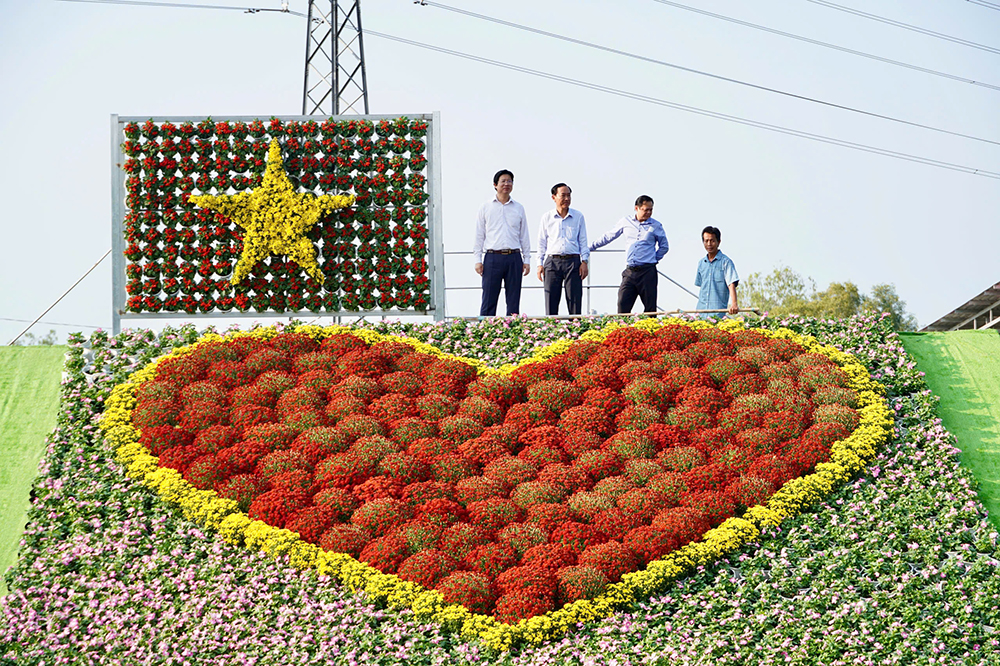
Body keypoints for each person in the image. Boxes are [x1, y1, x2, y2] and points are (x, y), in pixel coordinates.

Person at [589, 195, 669, 314]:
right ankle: (622, 326)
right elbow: (609, 236)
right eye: (645, 209)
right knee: (622, 304)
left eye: (651, 210)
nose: (648, 212)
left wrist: (653, 259)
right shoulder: (625, 222)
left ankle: (650, 326)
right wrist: (590, 247)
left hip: (647, 271)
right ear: (637, 208)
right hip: (630, 271)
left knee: (650, 308)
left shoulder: (656, 225)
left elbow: (664, 246)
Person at [472, 169, 531, 316]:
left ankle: (512, 328)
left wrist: (527, 260)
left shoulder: (518, 208)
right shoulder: (486, 207)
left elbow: (524, 235)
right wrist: (478, 260)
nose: (507, 184)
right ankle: (485, 328)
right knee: (488, 299)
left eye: (509, 181)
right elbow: (479, 235)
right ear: (495, 185)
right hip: (493, 257)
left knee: (513, 300)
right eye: (503, 181)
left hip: (514, 257)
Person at [537, 183, 589, 315]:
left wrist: (585, 261)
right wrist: (539, 264)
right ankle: (551, 327)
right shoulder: (547, 217)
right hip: (552, 262)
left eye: (569, 196)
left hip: (573, 261)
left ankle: (576, 326)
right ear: (554, 197)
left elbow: (583, 240)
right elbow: (541, 242)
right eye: (563, 195)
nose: (566, 199)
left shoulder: (578, 216)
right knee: (551, 300)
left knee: (575, 300)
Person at [695, 226, 740, 316]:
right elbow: (701, 286)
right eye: (706, 241)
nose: (709, 244)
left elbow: (731, 284)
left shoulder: (726, 262)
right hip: (701, 313)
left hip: (717, 313)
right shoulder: (701, 263)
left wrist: (734, 304)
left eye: (712, 241)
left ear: (718, 242)